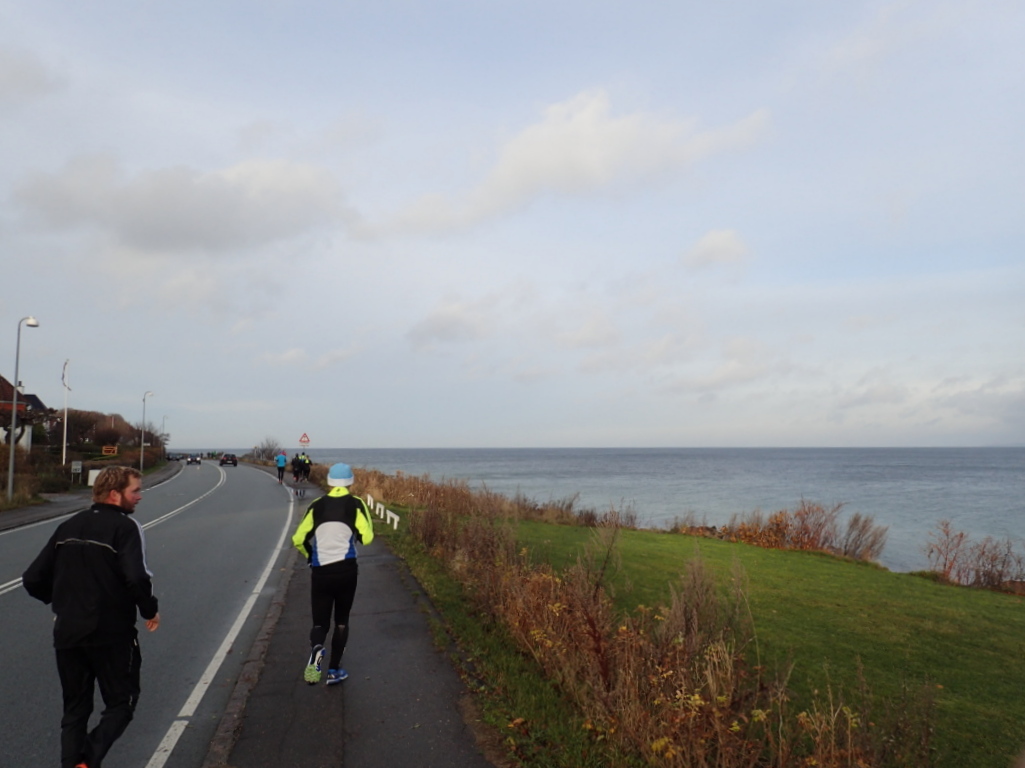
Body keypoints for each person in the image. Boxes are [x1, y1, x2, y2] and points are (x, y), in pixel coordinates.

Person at [23, 465, 160, 768]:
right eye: (135, 490)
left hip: (68, 633)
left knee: (75, 709)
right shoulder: (125, 527)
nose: (139, 497)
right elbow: (136, 577)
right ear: (115, 494)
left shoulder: (68, 526)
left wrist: (63, 603)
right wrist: (149, 609)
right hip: (111, 634)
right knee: (121, 704)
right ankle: (88, 759)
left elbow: (32, 578)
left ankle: (74, 763)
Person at [291, 462, 374, 685]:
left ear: (329, 481)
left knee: (320, 622)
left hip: (321, 571)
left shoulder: (317, 505)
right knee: (341, 620)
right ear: (350, 482)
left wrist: (310, 556)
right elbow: (367, 538)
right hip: (346, 570)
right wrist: (353, 533)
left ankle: (317, 649)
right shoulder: (356, 504)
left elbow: (298, 539)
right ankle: (334, 671)